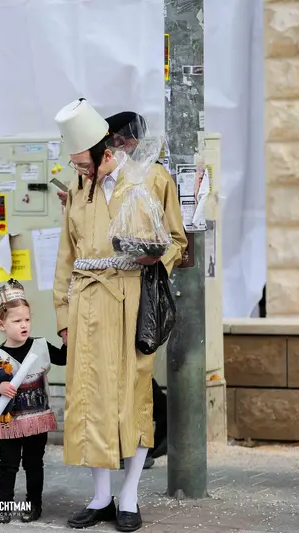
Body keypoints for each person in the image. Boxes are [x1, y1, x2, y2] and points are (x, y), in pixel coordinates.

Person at [52, 99, 187, 531]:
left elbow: (177, 240)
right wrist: (63, 315)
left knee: (133, 397)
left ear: (105, 152)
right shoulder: (78, 186)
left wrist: (156, 259)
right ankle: (100, 496)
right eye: (75, 164)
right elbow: (66, 253)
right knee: (88, 399)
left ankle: (129, 496)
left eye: (83, 162)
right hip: (86, 303)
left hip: (132, 301)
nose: (79, 170)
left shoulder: (150, 178)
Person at [0, 279, 67, 524]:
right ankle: (3, 506)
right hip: (9, 420)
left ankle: (33, 505)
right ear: (1, 325)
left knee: (34, 463)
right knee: (8, 464)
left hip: (36, 418)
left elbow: (64, 358)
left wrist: (68, 335)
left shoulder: (41, 346)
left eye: (27, 319)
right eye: (17, 321)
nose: (24, 324)